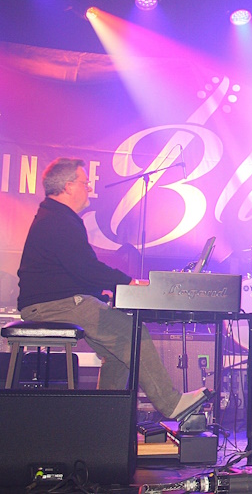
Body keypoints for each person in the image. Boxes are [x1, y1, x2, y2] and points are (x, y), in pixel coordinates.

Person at [16, 157, 209, 420]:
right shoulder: (58, 220)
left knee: (119, 349)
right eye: (84, 183)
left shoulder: (55, 217)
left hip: (52, 303)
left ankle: (104, 419)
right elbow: (86, 268)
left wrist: (101, 292)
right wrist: (128, 282)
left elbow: (69, 271)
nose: (89, 188)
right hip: (53, 306)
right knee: (133, 334)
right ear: (68, 186)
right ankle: (171, 403)